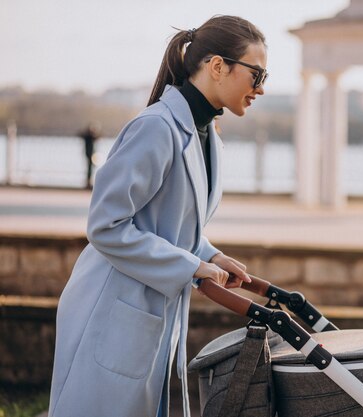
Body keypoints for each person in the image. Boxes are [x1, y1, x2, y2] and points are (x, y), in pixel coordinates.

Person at [48, 15, 267, 417]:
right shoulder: (155, 127)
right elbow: (106, 226)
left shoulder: (207, 137)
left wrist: (210, 255)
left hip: (148, 310)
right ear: (218, 66)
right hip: (111, 309)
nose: (262, 88)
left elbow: (172, 222)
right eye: (257, 73)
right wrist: (191, 265)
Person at [79, 122, 101, 189]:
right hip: (89, 154)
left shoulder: (89, 136)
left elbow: (98, 137)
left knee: (90, 168)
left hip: (90, 154)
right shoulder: (89, 136)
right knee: (90, 168)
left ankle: (88, 182)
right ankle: (88, 182)